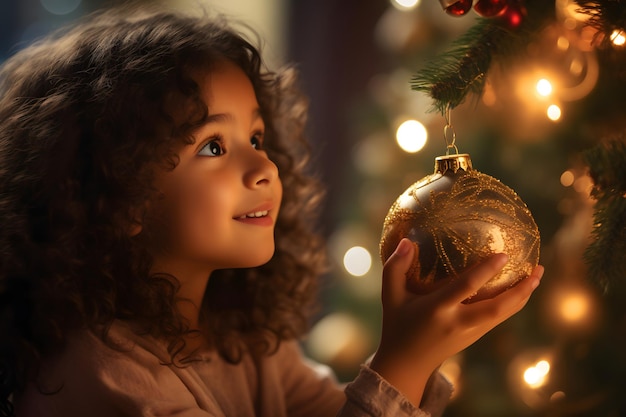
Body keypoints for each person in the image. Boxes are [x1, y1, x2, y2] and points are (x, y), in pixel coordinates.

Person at [0, 5, 544, 417]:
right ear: (115, 193)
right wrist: (401, 362)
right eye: (212, 146)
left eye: (256, 137)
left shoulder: (242, 342)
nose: (263, 167)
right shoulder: (111, 383)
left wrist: (421, 347)